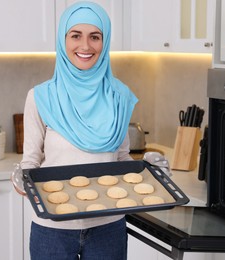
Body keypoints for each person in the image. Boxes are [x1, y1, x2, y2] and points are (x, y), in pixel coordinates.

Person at [17, 2, 138, 259]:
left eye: (95, 37)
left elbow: (122, 159)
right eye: (75, 36)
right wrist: (21, 180)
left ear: (104, 43)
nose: (85, 46)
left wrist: (149, 174)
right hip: (53, 228)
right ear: (63, 40)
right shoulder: (41, 97)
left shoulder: (118, 96)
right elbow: (30, 162)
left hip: (108, 226)